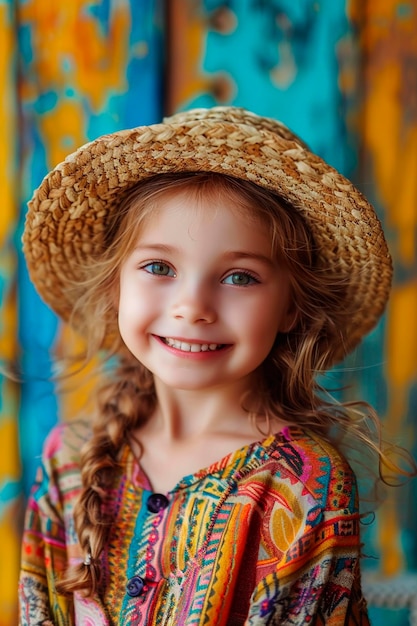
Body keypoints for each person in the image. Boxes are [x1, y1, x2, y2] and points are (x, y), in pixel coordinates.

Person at [18, 106, 404, 625]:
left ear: (292, 306)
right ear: (116, 287)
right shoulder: (69, 461)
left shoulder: (303, 485)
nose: (192, 306)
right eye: (159, 267)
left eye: (240, 277)